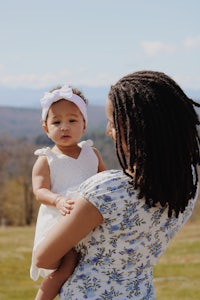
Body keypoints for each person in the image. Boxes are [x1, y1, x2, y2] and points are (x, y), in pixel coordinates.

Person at [34, 71, 200, 299]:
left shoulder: (106, 191)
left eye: (112, 123)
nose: (107, 131)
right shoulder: (187, 180)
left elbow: (43, 257)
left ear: (135, 127)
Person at [30, 84, 106, 300]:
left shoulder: (92, 154)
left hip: (89, 221)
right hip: (59, 221)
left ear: (84, 125)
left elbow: (105, 181)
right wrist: (58, 200)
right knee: (66, 265)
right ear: (46, 128)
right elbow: (40, 190)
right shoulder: (46, 159)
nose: (64, 127)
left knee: (89, 264)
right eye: (56, 122)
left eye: (72, 120)